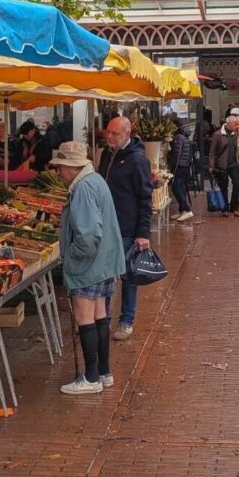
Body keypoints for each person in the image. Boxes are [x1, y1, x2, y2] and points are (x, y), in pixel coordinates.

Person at [51, 142, 126, 396]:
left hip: (89, 264)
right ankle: (104, 373)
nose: (58, 172)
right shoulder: (95, 180)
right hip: (105, 261)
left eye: (60, 167)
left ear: (72, 166)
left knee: (85, 317)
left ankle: (91, 377)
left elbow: (87, 236)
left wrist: (70, 259)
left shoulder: (82, 189)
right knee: (99, 315)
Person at [97, 116, 153, 341]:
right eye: (108, 132)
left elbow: (145, 197)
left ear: (127, 135)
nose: (110, 137)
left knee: (129, 275)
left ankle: (126, 320)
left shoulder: (138, 160)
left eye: (115, 134)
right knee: (106, 274)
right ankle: (104, 318)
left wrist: (143, 232)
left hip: (127, 227)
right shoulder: (106, 155)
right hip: (106, 227)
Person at [209, 115, 239, 216]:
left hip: (234, 163)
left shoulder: (235, 134)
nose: (237, 126)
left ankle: (234, 206)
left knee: (237, 184)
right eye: (234, 124)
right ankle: (225, 208)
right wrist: (211, 165)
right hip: (222, 164)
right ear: (228, 124)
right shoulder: (218, 134)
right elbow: (212, 152)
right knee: (224, 186)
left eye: (237, 124)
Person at [168, 116, 193, 222]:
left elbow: (176, 154)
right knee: (180, 186)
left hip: (179, 165)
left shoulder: (178, 137)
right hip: (184, 164)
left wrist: (172, 164)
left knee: (176, 186)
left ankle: (186, 209)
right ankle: (182, 209)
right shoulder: (183, 136)